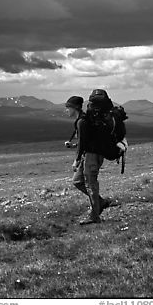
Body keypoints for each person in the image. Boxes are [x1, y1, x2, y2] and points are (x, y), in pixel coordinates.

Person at [65, 92, 114, 225]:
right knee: (77, 181)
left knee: (91, 185)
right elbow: (85, 141)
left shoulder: (82, 122)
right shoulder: (83, 120)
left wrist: (76, 159)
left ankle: (94, 216)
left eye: (68, 107)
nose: (66, 110)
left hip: (92, 156)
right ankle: (101, 202)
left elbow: (84, 143)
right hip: (89, 154)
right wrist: (74, 146)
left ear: (74, 108)